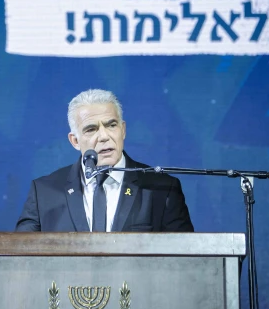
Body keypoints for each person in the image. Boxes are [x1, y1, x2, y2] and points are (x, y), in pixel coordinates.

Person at [15, 89, 194, 232]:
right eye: (91, 129)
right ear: (75, 141)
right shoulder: (44, 192)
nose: (104, 136)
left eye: (111, 125)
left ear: (123, 130)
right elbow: (21, 258)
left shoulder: (161, 189)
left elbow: (185, 261)